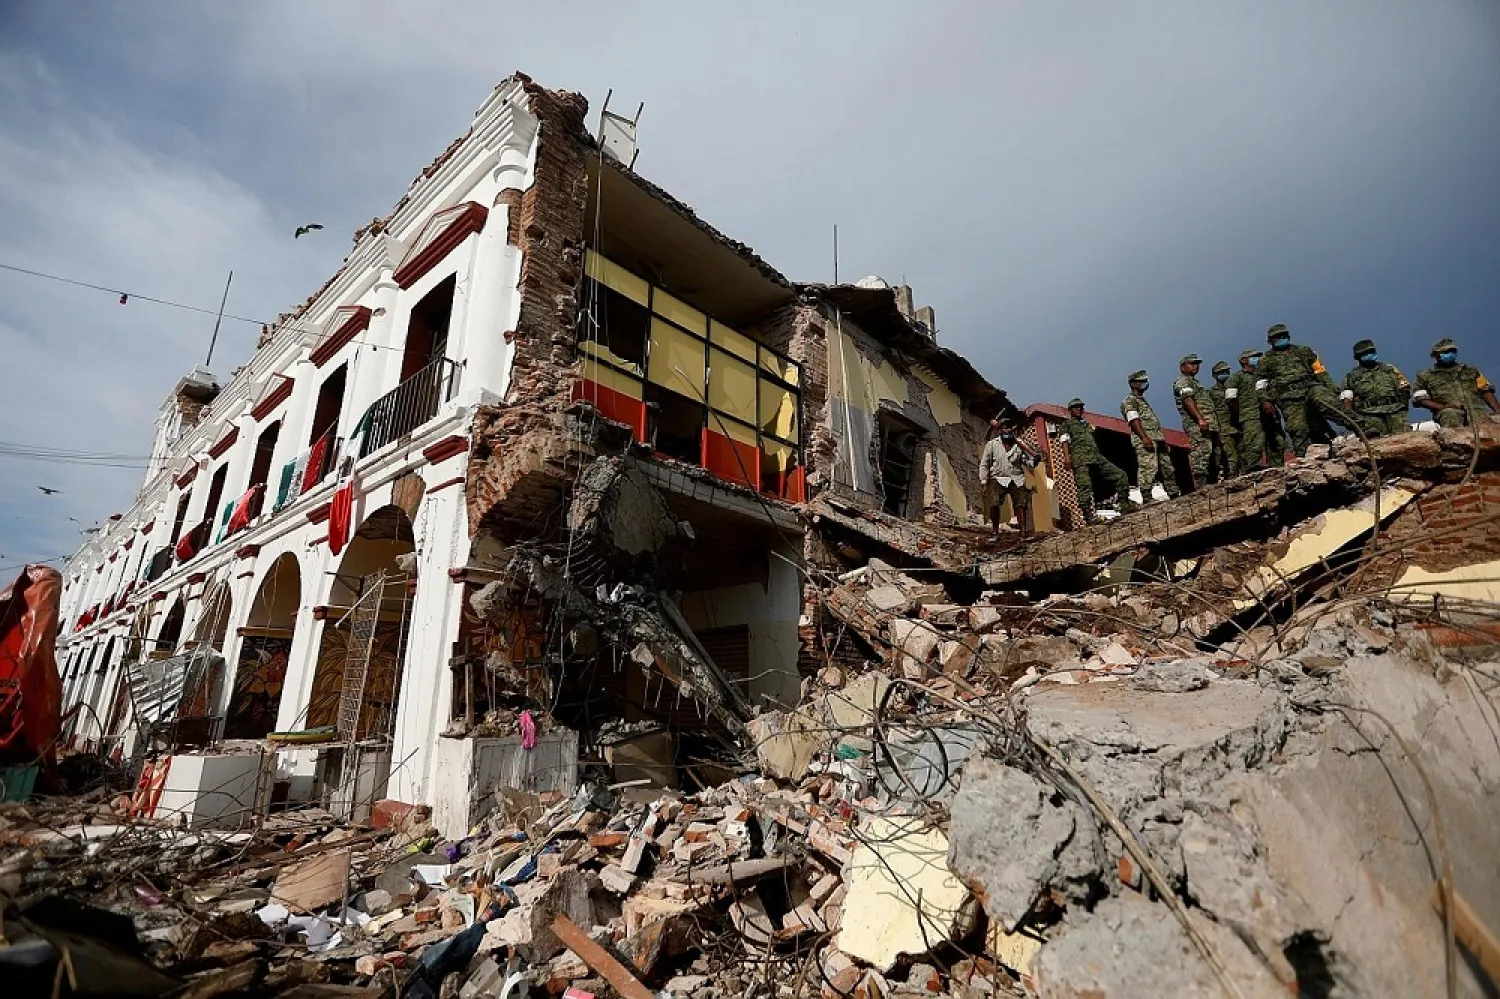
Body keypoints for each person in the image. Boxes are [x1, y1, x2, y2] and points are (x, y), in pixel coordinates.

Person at [1256, 323, 1350, 456]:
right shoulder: (1265, 360)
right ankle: (1304, 460)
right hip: (1289, 398)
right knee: (1298, 429)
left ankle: (1364, 429)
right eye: (1277, 336)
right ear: (1270, 341)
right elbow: (1260, 384)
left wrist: (1332, 391)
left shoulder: (1304, 351)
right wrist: (1265, 400)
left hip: (1311, 389)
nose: (1281, 338)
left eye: (1284, 335)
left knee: (1333, 408)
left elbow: (1320, 372)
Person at [1056, 398, 1132, 522]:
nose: (1079, 409)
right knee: (1084, 487)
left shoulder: (1087, 425)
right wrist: (1066, 458)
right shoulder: (1067, 425)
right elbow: (1064, 441)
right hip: (1080, 459)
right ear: (1070, 410)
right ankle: (1088, 516)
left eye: (1081, 407)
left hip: (1096, 457)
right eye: (1076, 407)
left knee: (1120, 475)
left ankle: (1125, 505)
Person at [1413, 338, 1500, 428]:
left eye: (1452, 351)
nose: (1449, 353)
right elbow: (1419, 398)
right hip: (1450, 413)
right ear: (1436, 355)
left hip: (1477, 410)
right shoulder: (1424, 376)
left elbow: (1485, 390)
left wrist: (1497, 410)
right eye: (1445, 351)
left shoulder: (1471, 371)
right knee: (1452, 423)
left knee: (1486, 431)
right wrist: (1442, 407)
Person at [1120, 370, 1179, 500]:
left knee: (1167, 467)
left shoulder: (1143, 401)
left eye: (1145, 381)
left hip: (1157, 439)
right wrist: (1144, 438)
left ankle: (1173, 492)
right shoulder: (1129, 401)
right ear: (1133, 384)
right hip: (1145, 439)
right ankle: (1146, 495)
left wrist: (1163, 441)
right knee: (1149, 467)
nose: (1144, 384)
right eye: (1141, 382)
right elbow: (1133, 420)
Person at [979, 421, 1040, 539]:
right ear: (1000, 430)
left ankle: (1022, 533)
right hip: (997, 478)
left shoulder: (1019, 445)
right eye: (1005, 428)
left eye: (1010, 428)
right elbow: (984, 464)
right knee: (994, 503)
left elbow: (1028, 463)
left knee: (1021, 505)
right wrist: (984, 482)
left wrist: (1035, 460)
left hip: (1016, 478)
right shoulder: (992, 444)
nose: (1008, 430)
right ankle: (995, 531)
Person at [1340, 339, 1410, 438]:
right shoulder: (1351, 377)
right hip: (1370, 416)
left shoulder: (1389, 369)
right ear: (1358, 357)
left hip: (1396, 412)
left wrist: (1402, 406)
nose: (1369, 354)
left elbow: (1405, 388)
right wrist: (1356, 421)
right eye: (1365, 353)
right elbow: (1347, 402)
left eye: (1370, 352)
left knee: (1405, 440)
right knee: (1377, 445)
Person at [1172, 354, 1217, 487]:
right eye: (1191, 363)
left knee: (1209, 451)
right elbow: (1187, 400)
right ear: (1182, 367)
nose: (1195, 366)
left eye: (1197, 364)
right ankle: (1200, 484)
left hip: (1207, 423)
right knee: (1200, 450)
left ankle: (1210, 481)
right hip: (1196, 423)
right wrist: (1200, 419)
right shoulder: (1183, 382)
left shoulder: (1195, 383)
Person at [1226, 349, 1273, 472]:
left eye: (1258, 356)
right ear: (1243, 360)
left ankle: (1275, 467)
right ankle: (1252, 469)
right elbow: (1231, 399)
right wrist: (1241, 413)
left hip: (1268, 415)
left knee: (1276, 442)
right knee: (1254, 443)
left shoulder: (1261, 376)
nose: (1257, 359)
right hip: (1250, 415)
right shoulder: (1236, 377)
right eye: (1254, 356)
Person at [1208, 361, 1239, 477]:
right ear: (1214, 375)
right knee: (1231, 458)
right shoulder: (1211, 393)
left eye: (1226, 371)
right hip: (1223, 430)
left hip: (1238, 426)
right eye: (1221, 372)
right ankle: (1232, 480)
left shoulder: (1235, 388)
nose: (1225, 374)